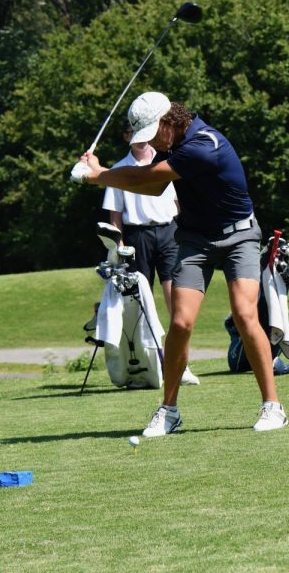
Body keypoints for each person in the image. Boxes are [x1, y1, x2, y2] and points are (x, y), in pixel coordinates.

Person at [73, 91, 288, 436]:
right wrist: (103, 172)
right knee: (182, 322)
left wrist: (97, 175)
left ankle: (273, 406)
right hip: (195, 240)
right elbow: (154, 188)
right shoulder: (172, 146)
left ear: (169, 122)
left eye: (154, 134)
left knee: (245, 314)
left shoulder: (204, 145)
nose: (152, 143)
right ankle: (168, 410)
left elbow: (146, 179)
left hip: (240, 237)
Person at [102, 121, 199, 386]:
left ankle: (181, 366)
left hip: (169, 233)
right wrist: (119, 248)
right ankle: (147, 367)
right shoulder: (119, 170)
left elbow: (181, 203)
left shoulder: (167, 162)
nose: (139, 139)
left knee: (175, 299)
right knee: (139, 304)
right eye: (132, 133)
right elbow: (115, 217)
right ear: (126, 137)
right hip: (136, 237)